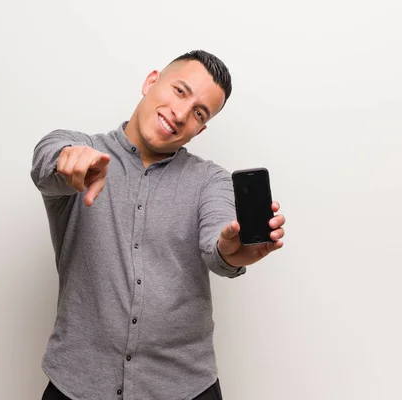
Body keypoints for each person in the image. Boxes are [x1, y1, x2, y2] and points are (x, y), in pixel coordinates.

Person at [31, 50, 286, 400]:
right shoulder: (85, 151)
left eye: (199, 113)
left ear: (202, 128)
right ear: (151, 81)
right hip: (77, 385)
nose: (180, 114)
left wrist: (232, 252)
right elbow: (48, 159)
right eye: (180, 91)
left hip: (185, 388)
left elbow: (219, 245)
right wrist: (67, 161)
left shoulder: (211, 181)